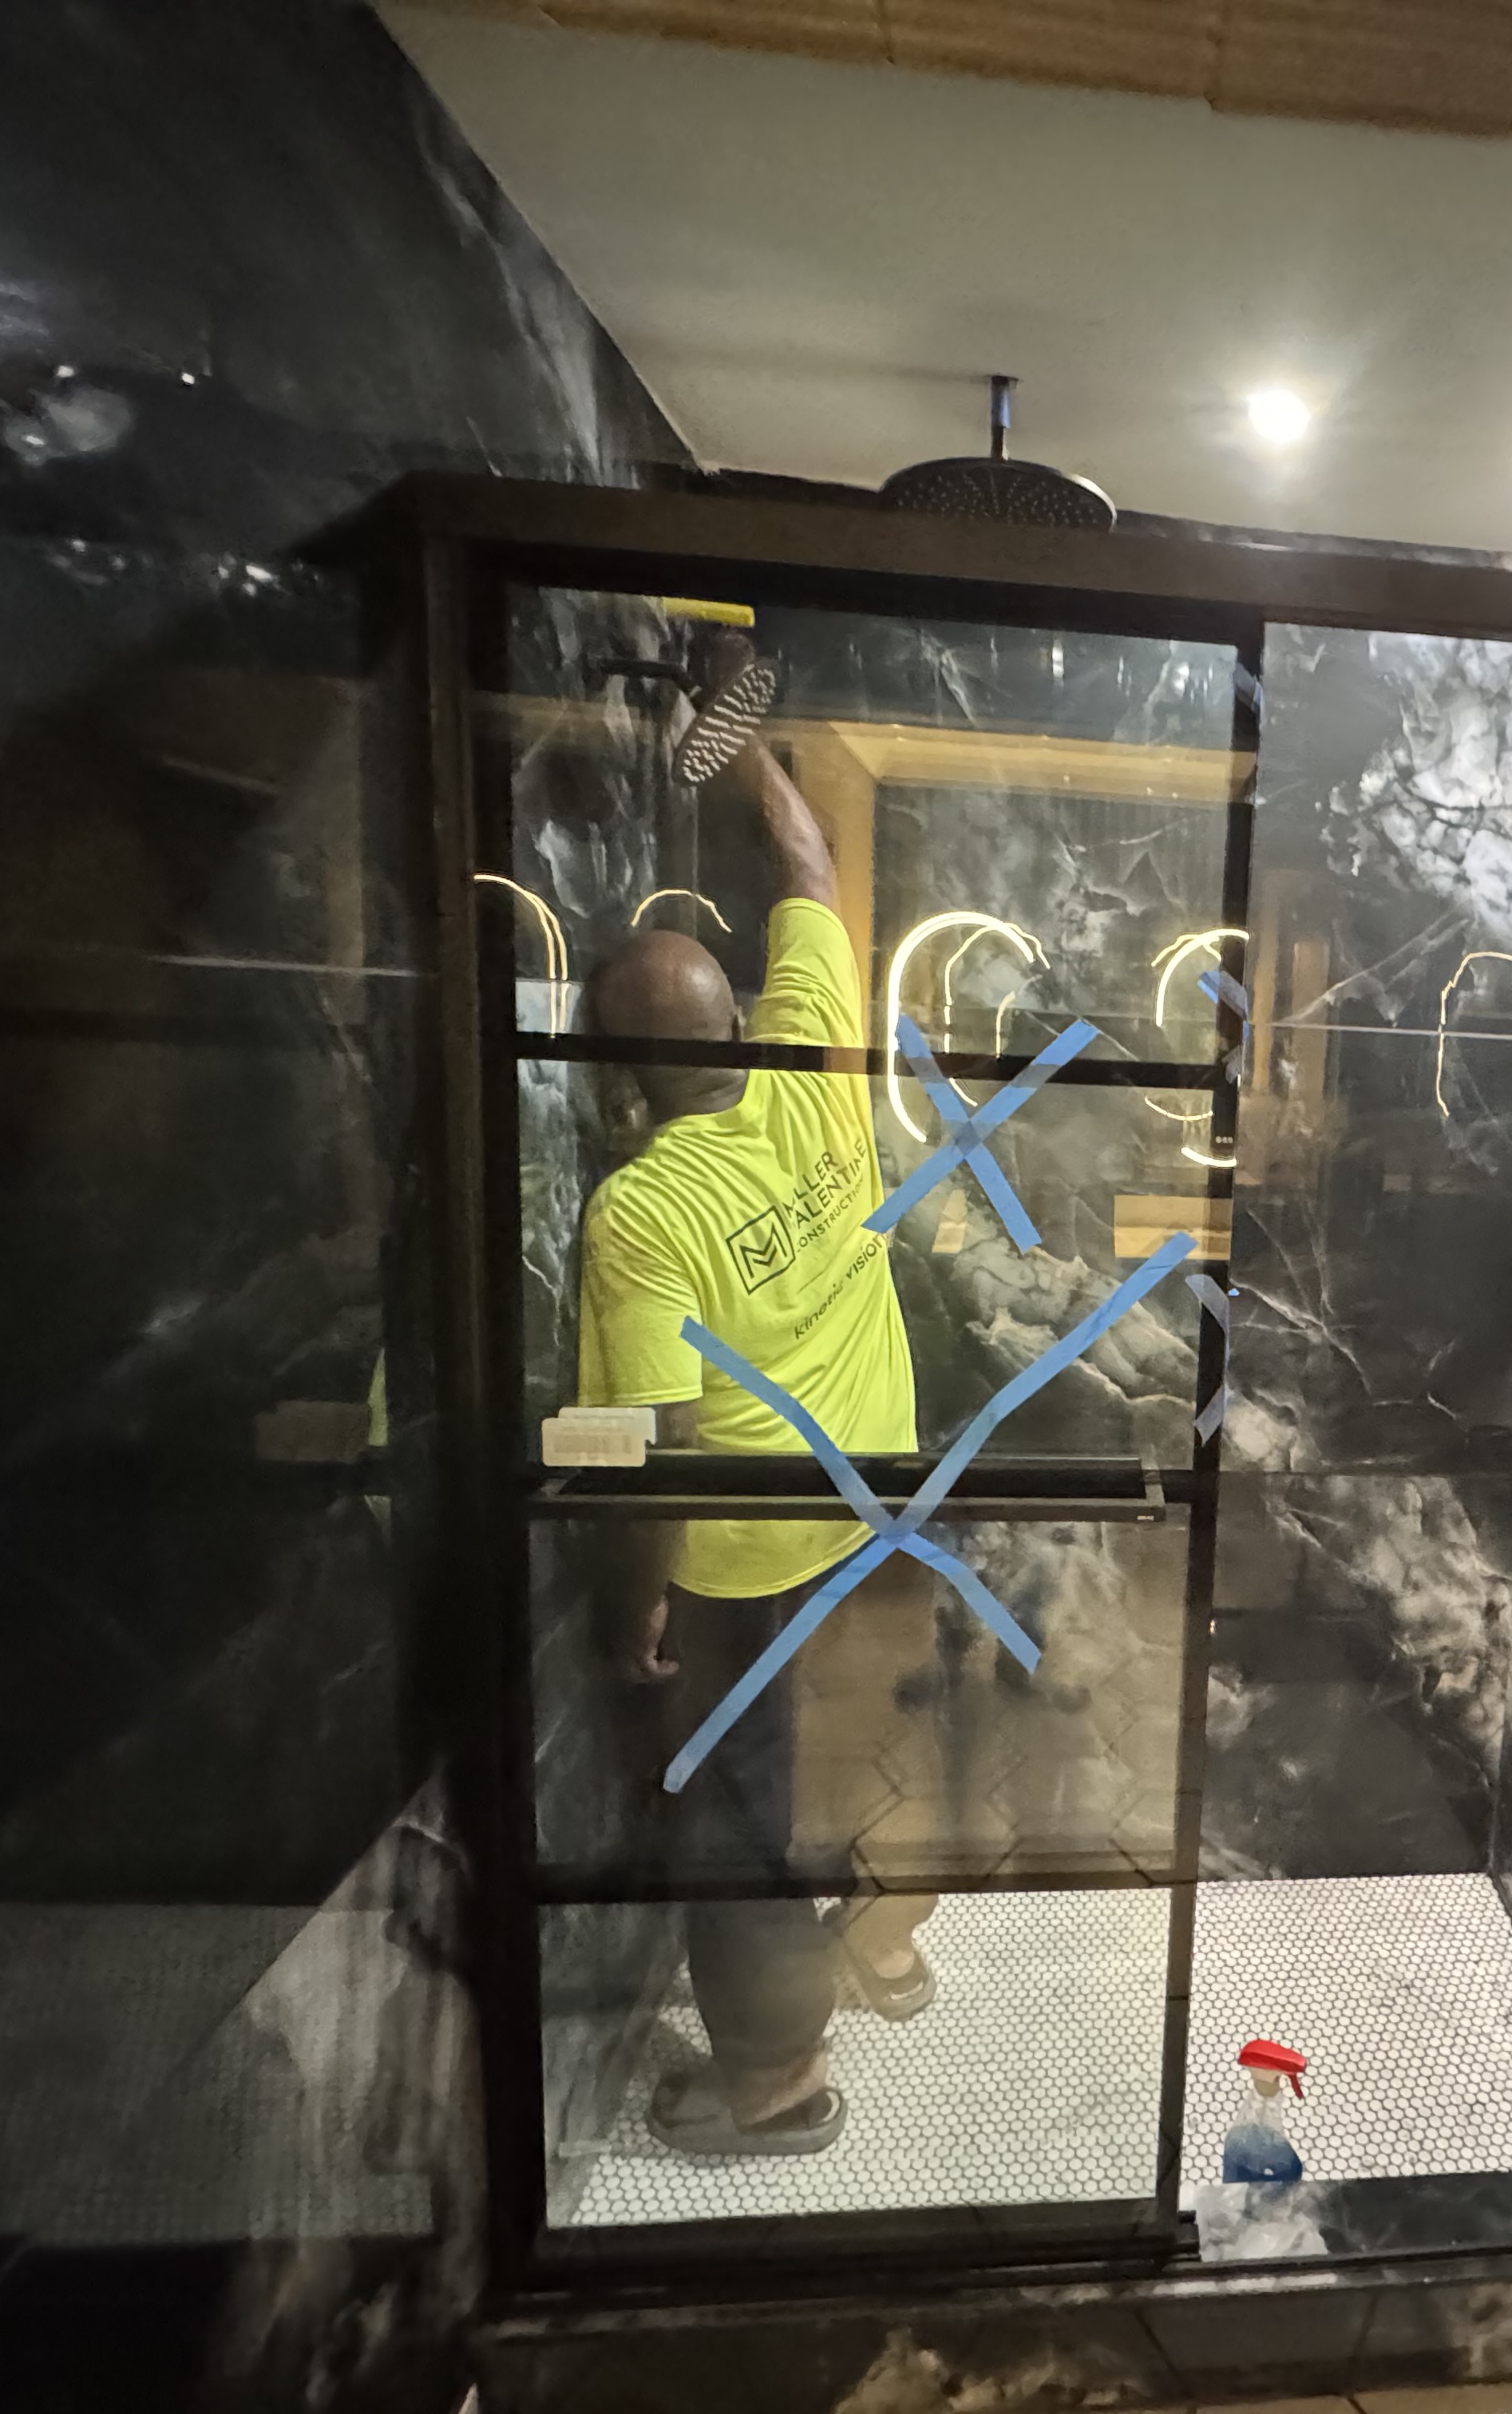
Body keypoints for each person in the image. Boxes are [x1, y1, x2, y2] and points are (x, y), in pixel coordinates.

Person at [576, 737, 934, 2157]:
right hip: (881, 1512)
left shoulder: (640, 1214)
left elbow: (651, 1436)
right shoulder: (815, 1080)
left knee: (734, 1825)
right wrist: (752, 756)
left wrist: (635, 1595)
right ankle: (886, 1954)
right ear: (738, 1029)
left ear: (616, 1077)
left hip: (744, 1566)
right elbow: (810, 867)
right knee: (876, 1761)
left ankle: (779, 2087)